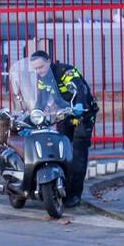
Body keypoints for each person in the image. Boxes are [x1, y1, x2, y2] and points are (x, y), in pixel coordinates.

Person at [29, 50, 98, 207]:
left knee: (78, 154)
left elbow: (79, 89)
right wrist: (33, 117)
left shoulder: (65, 71)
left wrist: (79, 105)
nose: (39, 71)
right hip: (64, 114)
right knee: (61, 153)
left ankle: (75, 195)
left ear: (48, 60)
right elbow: (41, 101)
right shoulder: (42, 79)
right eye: (36, 69)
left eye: (41, 66)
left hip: (83, 113)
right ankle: (59, 189)